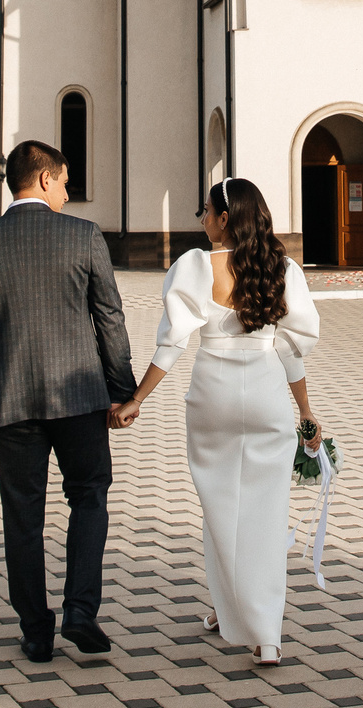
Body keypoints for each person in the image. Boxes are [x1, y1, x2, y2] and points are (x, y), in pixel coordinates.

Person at [110, 177, 321, 665]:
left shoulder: (194, 267)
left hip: (213, 396)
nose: (202, 219)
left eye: (205, 211)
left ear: (225, 218)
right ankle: (263, 633)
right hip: (267, 392)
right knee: (266, 516)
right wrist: (306, 412)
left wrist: (136, 399)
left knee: (222, 511)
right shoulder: (282, 268)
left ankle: (234, 611)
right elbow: (292, 349)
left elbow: (173, 342)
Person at [0, 139, 136, 663]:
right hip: (79, 396)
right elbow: (110, 320)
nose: (68, 192)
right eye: (66, 181)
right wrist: (123, 392)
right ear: (46, 179)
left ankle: (35, 631)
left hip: (9, 402)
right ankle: (81, 610)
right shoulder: (84, 236)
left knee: (23, 516)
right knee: (89, 495)